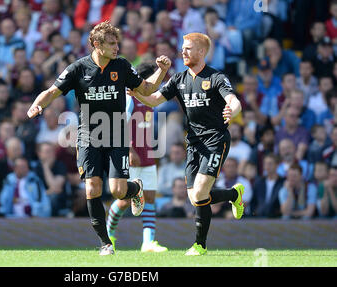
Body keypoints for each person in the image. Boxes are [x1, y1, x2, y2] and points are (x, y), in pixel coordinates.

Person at [27, 21, 171, 255]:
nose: (117, 48)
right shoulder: (78, 68)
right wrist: (37, 104)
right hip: (88, 136)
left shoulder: (122, 66)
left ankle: (135, 189)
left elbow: (145, 90)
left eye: (117, 43)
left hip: (115, 134)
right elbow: (53, 91)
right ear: (96, 44)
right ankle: (106, 243)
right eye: (112, 44)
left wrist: (162, 71)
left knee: (117, 191)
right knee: (92, 189)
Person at [129, 32, 244, 256]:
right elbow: (153, 100)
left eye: (188, 48)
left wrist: (233, 110)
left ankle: (199, 245)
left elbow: (233, 100)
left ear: (202, 52)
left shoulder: (216, 77)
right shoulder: (178, 80)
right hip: (193, 143)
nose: (183, 51)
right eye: (183, 48)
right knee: (196, 198)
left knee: (201, 192)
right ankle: (233, 195)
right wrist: (135, 93)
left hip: (215, 140)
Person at [106, 63, 168, 253]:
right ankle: (109, 235)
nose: (157, 85)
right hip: (130, 154)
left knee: (149, 197)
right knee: (125, 199)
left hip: (147, 154)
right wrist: (129, 149)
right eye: (154, 81)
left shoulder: (150, 100)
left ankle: (148, 242)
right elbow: (118, 124)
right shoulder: (128, 98)